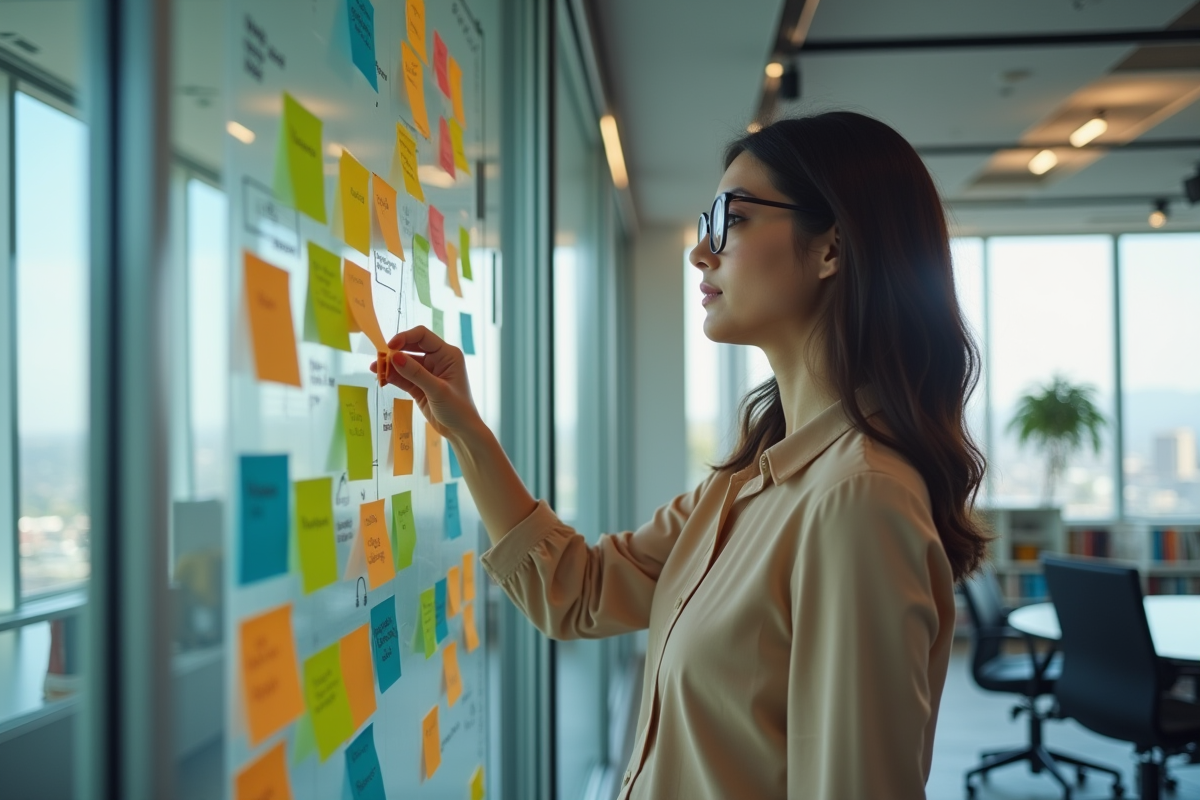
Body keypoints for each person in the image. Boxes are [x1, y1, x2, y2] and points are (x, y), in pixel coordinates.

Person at [372, 111, 989, 800]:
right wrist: (464, 428)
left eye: (732, 217)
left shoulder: (857, 500)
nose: (701, 251)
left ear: (831, 248)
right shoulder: (752, 481)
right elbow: (577, 590)